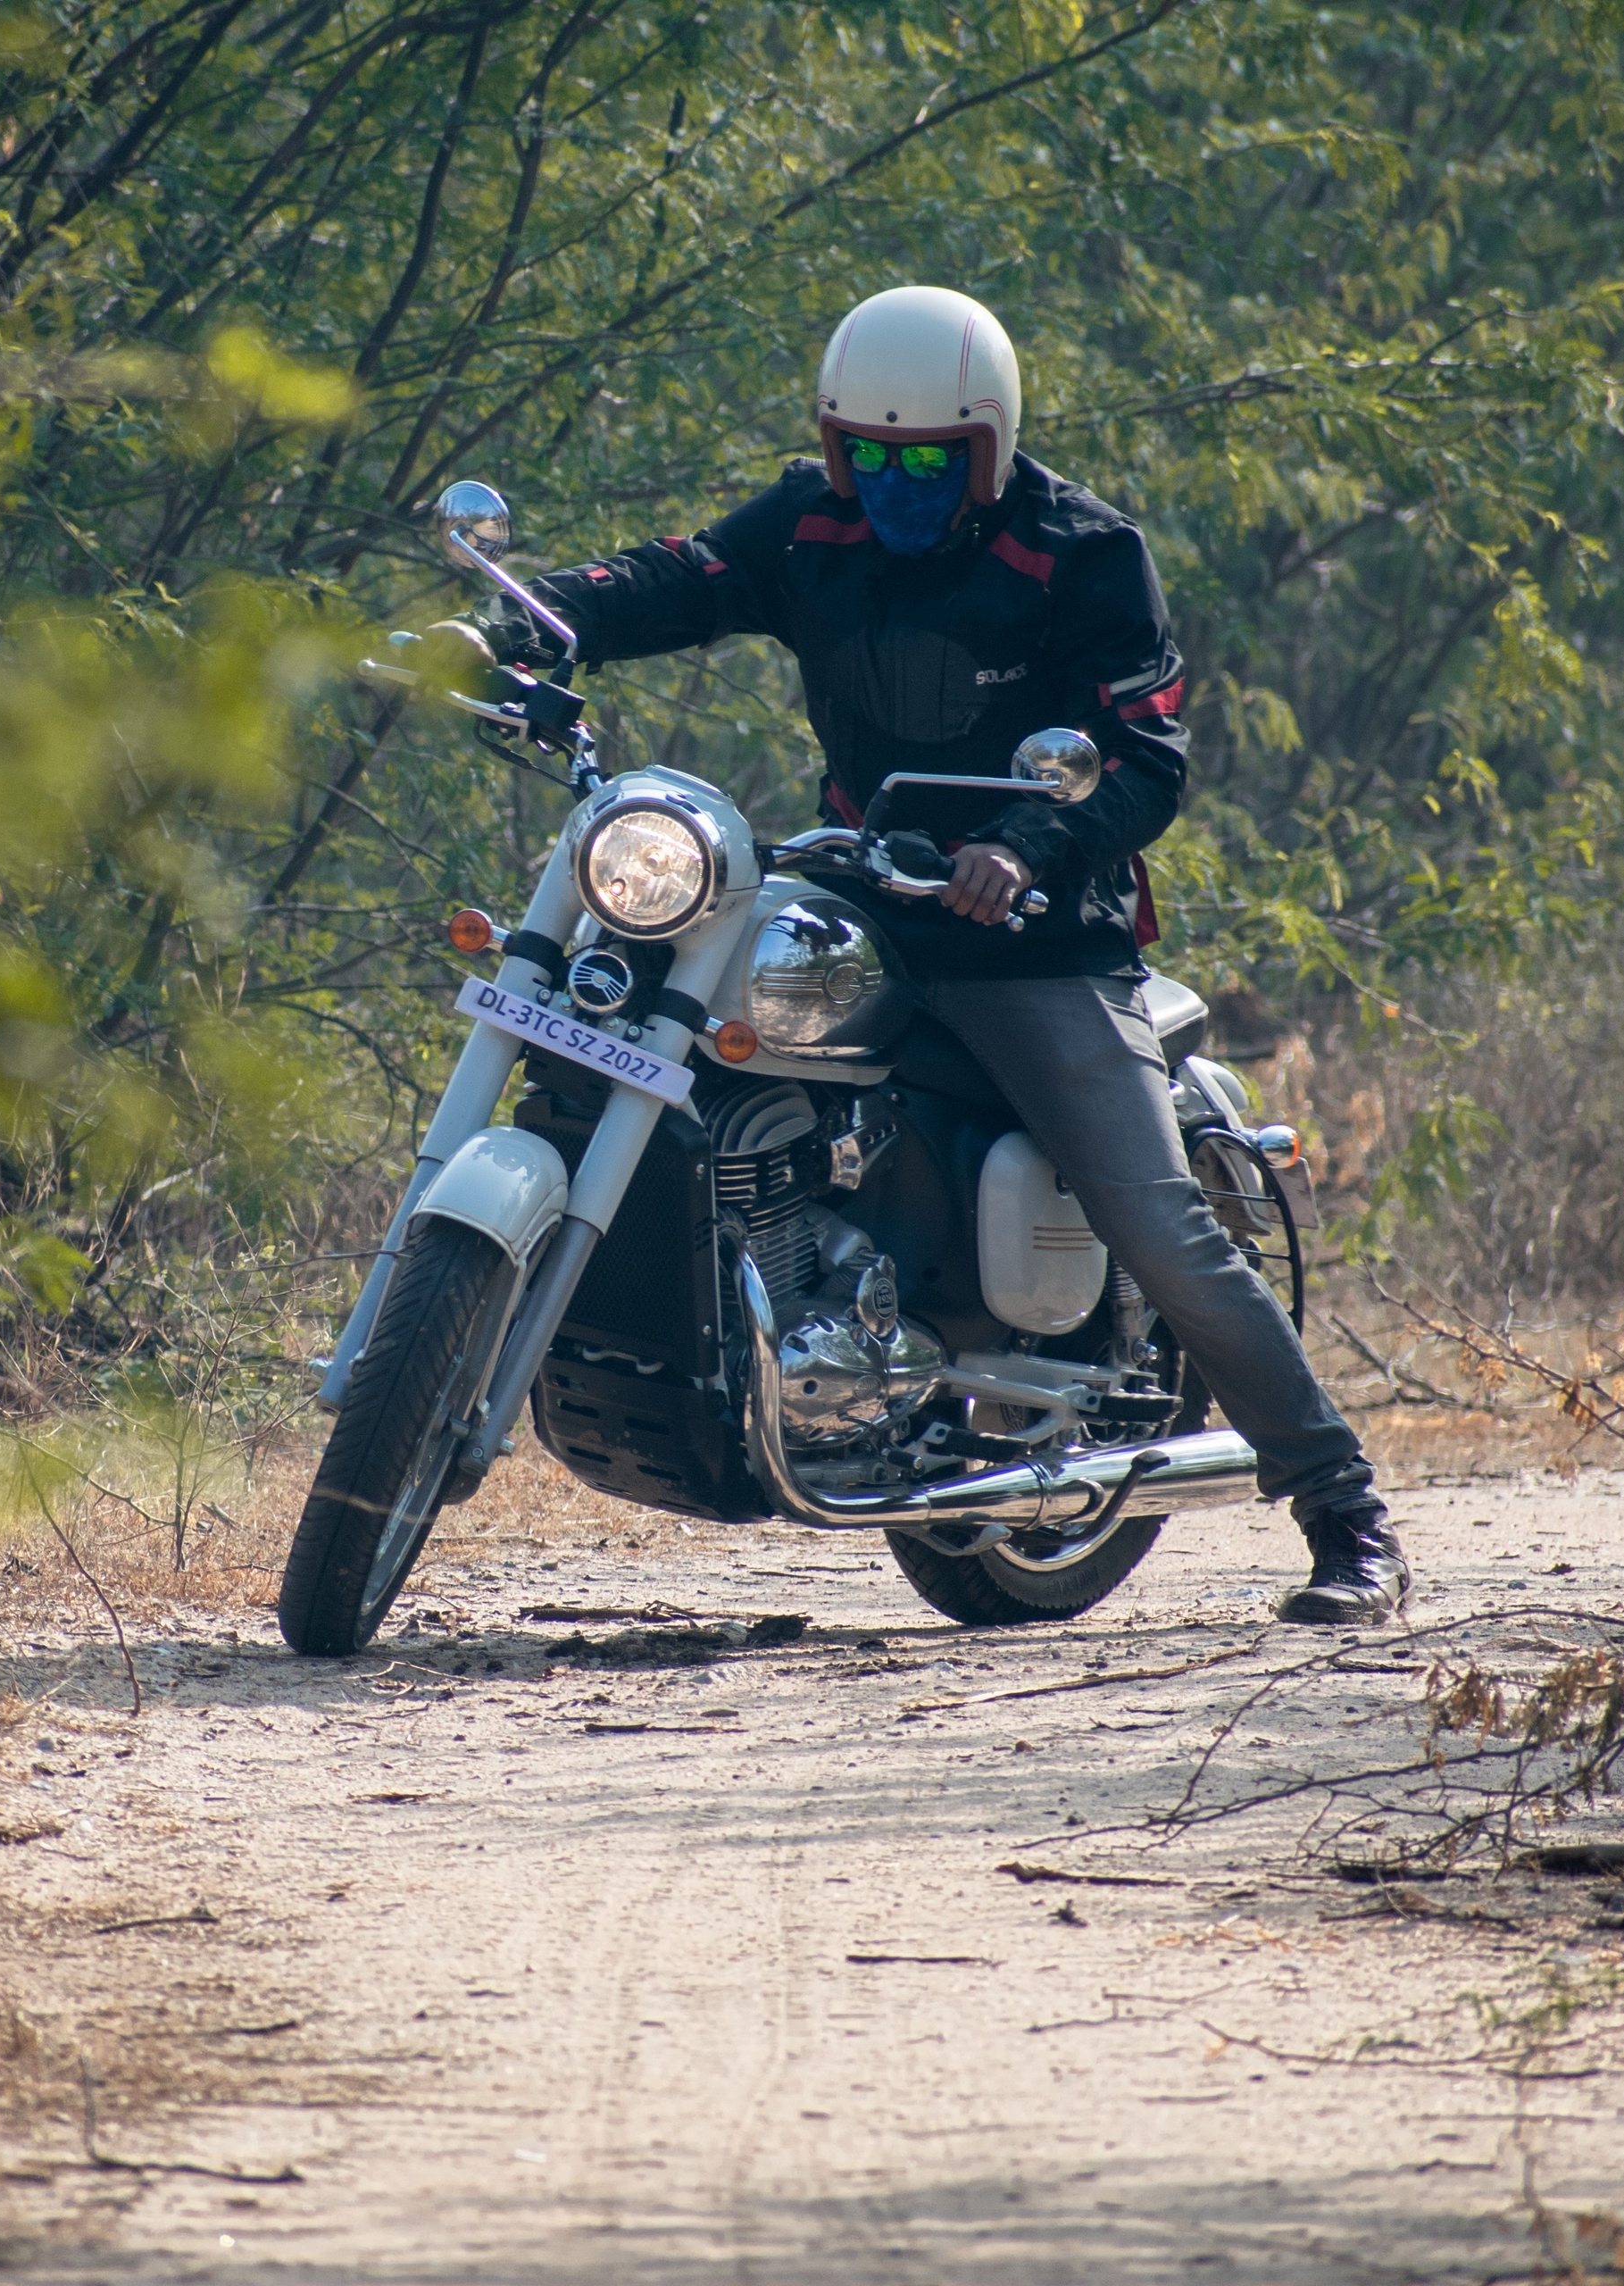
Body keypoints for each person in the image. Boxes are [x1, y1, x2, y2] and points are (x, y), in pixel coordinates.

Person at [445, 284, 1406, 1624]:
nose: (899, 487)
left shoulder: (1083, 553)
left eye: (933, 462)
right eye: (873, 458)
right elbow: (678, 579)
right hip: (865, 889)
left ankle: (1345, 1513)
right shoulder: (811, 522)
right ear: (837, 448)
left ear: (990, 446)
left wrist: (1025, 844)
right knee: (658, 1025)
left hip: (1036, 938)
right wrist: (511, 628)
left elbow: (1145, 758)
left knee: (1157, 1218)